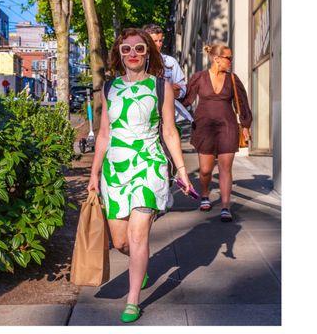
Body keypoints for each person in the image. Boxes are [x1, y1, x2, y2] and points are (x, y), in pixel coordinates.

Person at [87, 28, 193, 323]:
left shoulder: (161, 88)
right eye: (126, 50)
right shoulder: (109, 88)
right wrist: (94, 174)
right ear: (119, 55)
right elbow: (105, 134)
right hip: (116, 169)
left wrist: (182, 171)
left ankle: (133, 300)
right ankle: (139, 265)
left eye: (139, 49)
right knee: (121, 241)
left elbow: (170, 131)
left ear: (149, 53)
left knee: (137, 234)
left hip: (149, 165)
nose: (132, 54)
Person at [182, 44, 252, 221]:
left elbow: (242, 103)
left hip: (227, 127)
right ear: (216, 59)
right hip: (204, 128)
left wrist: (245, 125)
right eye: (228, 58)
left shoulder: (233, 79)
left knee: (225, 169)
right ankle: (205, 195)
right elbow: (186, 99)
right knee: (205, 170)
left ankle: (225, 206)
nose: (230, 61)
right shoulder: (199, 77)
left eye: (231, 58)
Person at [142, 23, 193, 209]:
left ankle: (166, 188)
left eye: (161, 40)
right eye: (154, 40)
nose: (158, 44)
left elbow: (183, 87)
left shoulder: (170, 62)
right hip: (145, 118)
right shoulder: (138, 61)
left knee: (167, 155)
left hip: (167, 117)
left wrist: (170, 90)